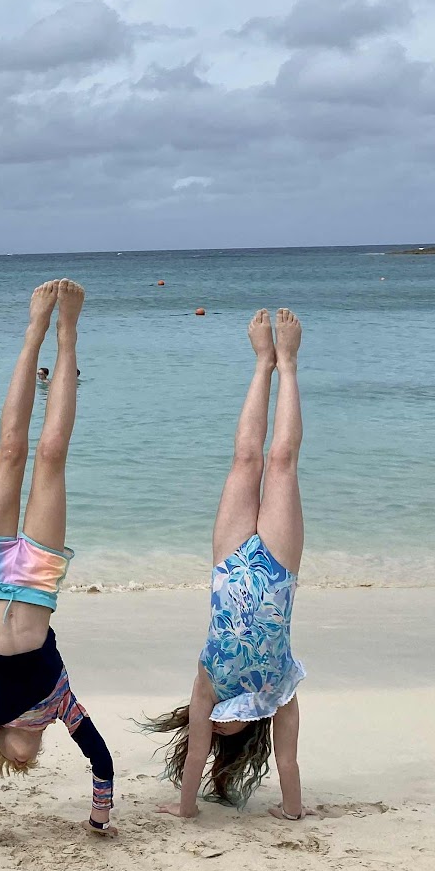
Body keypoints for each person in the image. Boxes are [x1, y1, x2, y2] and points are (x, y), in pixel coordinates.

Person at [0, 280, 115, 849]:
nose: (29, 756)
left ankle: (34, 330)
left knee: (10, 453)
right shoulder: (58, 701)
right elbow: (101, 758)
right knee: (51, 457)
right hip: (35, 581)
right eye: (34, 757)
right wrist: (99, 818)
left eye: (19, 760)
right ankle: (67, 332)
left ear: (3, 747)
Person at [147, 310, 307, 821]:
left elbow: (195, 757)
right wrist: (292, 811)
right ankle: (288, 364)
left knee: (245, 460)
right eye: (219, 731)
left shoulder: (207, 688)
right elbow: (289, 763)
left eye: (208, 727)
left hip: (230, 562)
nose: (212, 725)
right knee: (281, 461)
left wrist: (185, 809)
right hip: (279, 567)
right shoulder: (280, 692)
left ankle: (262, 362)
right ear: (243, 737)